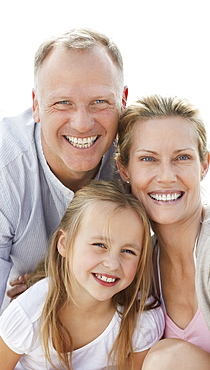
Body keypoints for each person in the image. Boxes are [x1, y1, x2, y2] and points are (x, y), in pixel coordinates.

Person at [0, 28, 128, 310]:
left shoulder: (138, 159)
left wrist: (53, 284)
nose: (82, 123)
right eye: (62, 103)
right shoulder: (5, 169)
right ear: (36, 105)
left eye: (99, 102)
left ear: (123, 100)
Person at [116, 94, 210, 369]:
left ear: (204, 165)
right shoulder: (139, 263)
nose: (166, 176)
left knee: (167, 359)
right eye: (148, 159)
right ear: (124, 169)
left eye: (182, 157)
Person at [0, 180, 164, 370]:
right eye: (100, 245)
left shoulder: (140, 318)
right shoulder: (29, 314)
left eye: (128, 251)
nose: (112, 264)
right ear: (64, 243)